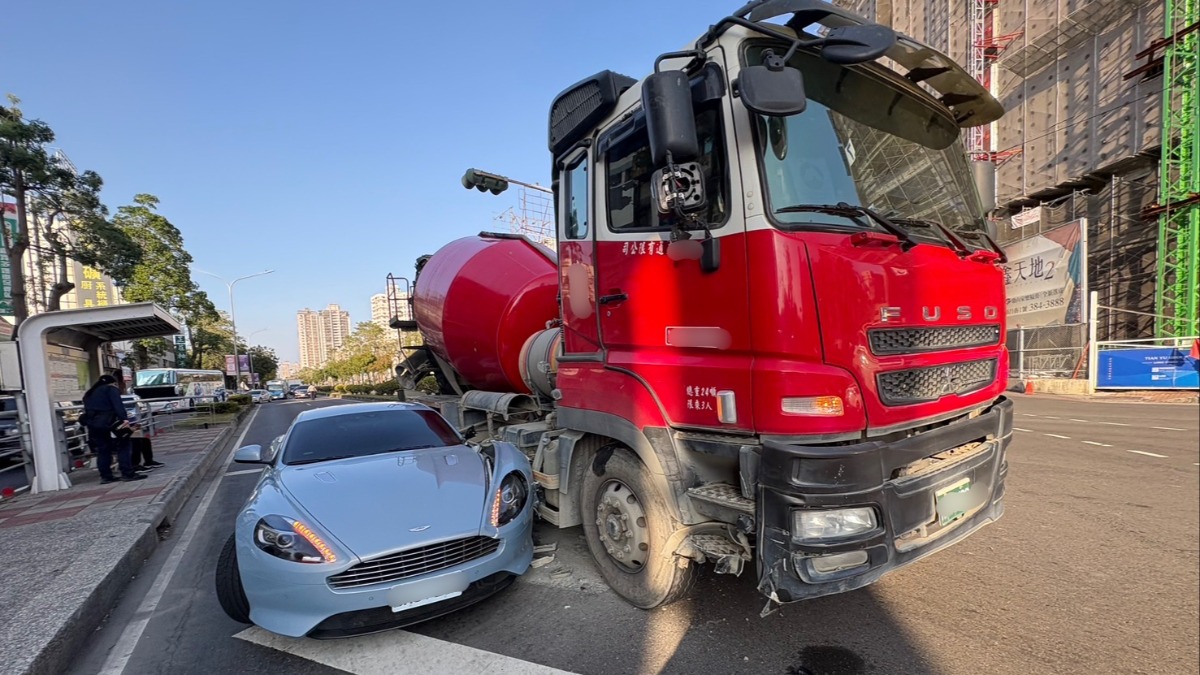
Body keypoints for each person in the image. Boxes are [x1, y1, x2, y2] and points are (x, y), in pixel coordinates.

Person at [81, 375, 145, 483]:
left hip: (93, 424)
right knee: (124, 445)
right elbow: (117, 405)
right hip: (109, 422)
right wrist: (124, 419)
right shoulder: (110, 389)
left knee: (103, 450)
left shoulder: (89, 393)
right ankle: (127, 473)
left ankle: (106, 476)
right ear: (112, 383)